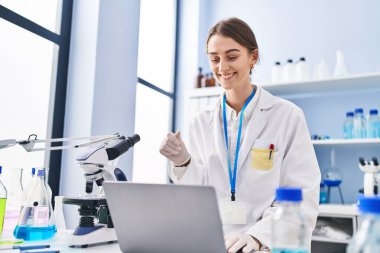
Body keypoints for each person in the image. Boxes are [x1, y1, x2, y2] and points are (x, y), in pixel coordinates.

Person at [159, 17, 320, 253]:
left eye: (232, 57)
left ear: (253, 57)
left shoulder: (287, 116)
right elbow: (198, 195)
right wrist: (182, 161)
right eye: (215, 59)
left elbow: (303, 197)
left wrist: (255, 237)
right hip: (215, 243)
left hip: (265, 243)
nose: (222, 67)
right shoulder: (201, 121)